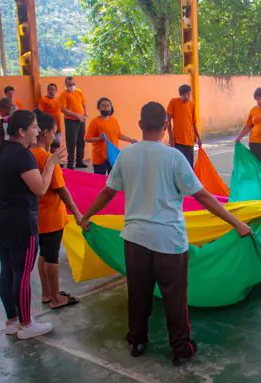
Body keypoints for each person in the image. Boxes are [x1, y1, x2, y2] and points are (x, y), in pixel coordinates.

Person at [80, 102, 252, 365]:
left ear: (139, 125)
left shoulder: (126, 156)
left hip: (135, 240)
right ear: (165, 126)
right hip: (169, 243)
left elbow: (107, 192)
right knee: (175, 298)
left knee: (138, 293)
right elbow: (202, 196)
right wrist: (236, 223)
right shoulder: (174, 157)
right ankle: (180, 349)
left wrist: (85, 216)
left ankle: (137, 340)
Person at [0, 110, 60, 339]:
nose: (38, 131)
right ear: (21, 131)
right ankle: (26, 325)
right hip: (20, 223)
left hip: (0, 219)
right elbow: (39, 189)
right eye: (34, 127)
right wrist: (50, 164)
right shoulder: (22, 155)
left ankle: (12, 321)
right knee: (22, 273)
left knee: (7, 270)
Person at [30, 110, 82, 310]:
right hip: (51, 216)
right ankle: (56, 298)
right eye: (53, 132)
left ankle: (46, 293)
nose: (54, 136)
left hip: (37, 215)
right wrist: (77, 213)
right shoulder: (46, 158)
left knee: (44, 254)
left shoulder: (29, 155)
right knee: (52, 257)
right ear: (43, 133)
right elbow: (61, 190)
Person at [85, 97, 137, 175]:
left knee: (112, 180)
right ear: (98, 108)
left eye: (108, 105)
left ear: (111, 107)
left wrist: (131, 140)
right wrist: (98, 138)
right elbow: (87, 139)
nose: (106, 107)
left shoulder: (114, 120)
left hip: (112, 156)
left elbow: (119, 135)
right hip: (99, 157)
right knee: (99, 180)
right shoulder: (95, 122)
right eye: (103, 106)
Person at [167, 84, 201, 168]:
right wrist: (171, 138)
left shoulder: (191, 104)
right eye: (185, 95)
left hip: (189, 140)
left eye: (189, 94)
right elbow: (168, 122)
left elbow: (193, 123)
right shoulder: (173, 102)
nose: (188, 96)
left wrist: (198, 137)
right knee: (178, 165)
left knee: (189, 165)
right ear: (181, 94)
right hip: (177, 140)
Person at [59, 76, 87, 169]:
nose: (72, 86)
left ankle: (80, 161)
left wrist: (85, 114)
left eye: (73, 84)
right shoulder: (63, 95)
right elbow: (63, 109)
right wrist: (77, 116)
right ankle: (70, 163)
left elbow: (83, 104)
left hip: (82, 120)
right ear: (66, 84)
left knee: (81, 141)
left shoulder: (79, 92)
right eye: (69, 84)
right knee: (71, 142)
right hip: (71, 121)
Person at [37, 83, 64, 153]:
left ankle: (53, 160)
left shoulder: (58, 99)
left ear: (56, 91)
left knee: (56, 144)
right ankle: (47, 159)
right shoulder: (43, 100)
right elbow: (40, 113)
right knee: (47, 145)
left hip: (58, 127)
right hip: (48, 127)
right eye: (49, 89)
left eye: (53, 89)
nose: (51, 91)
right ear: (47, 90)